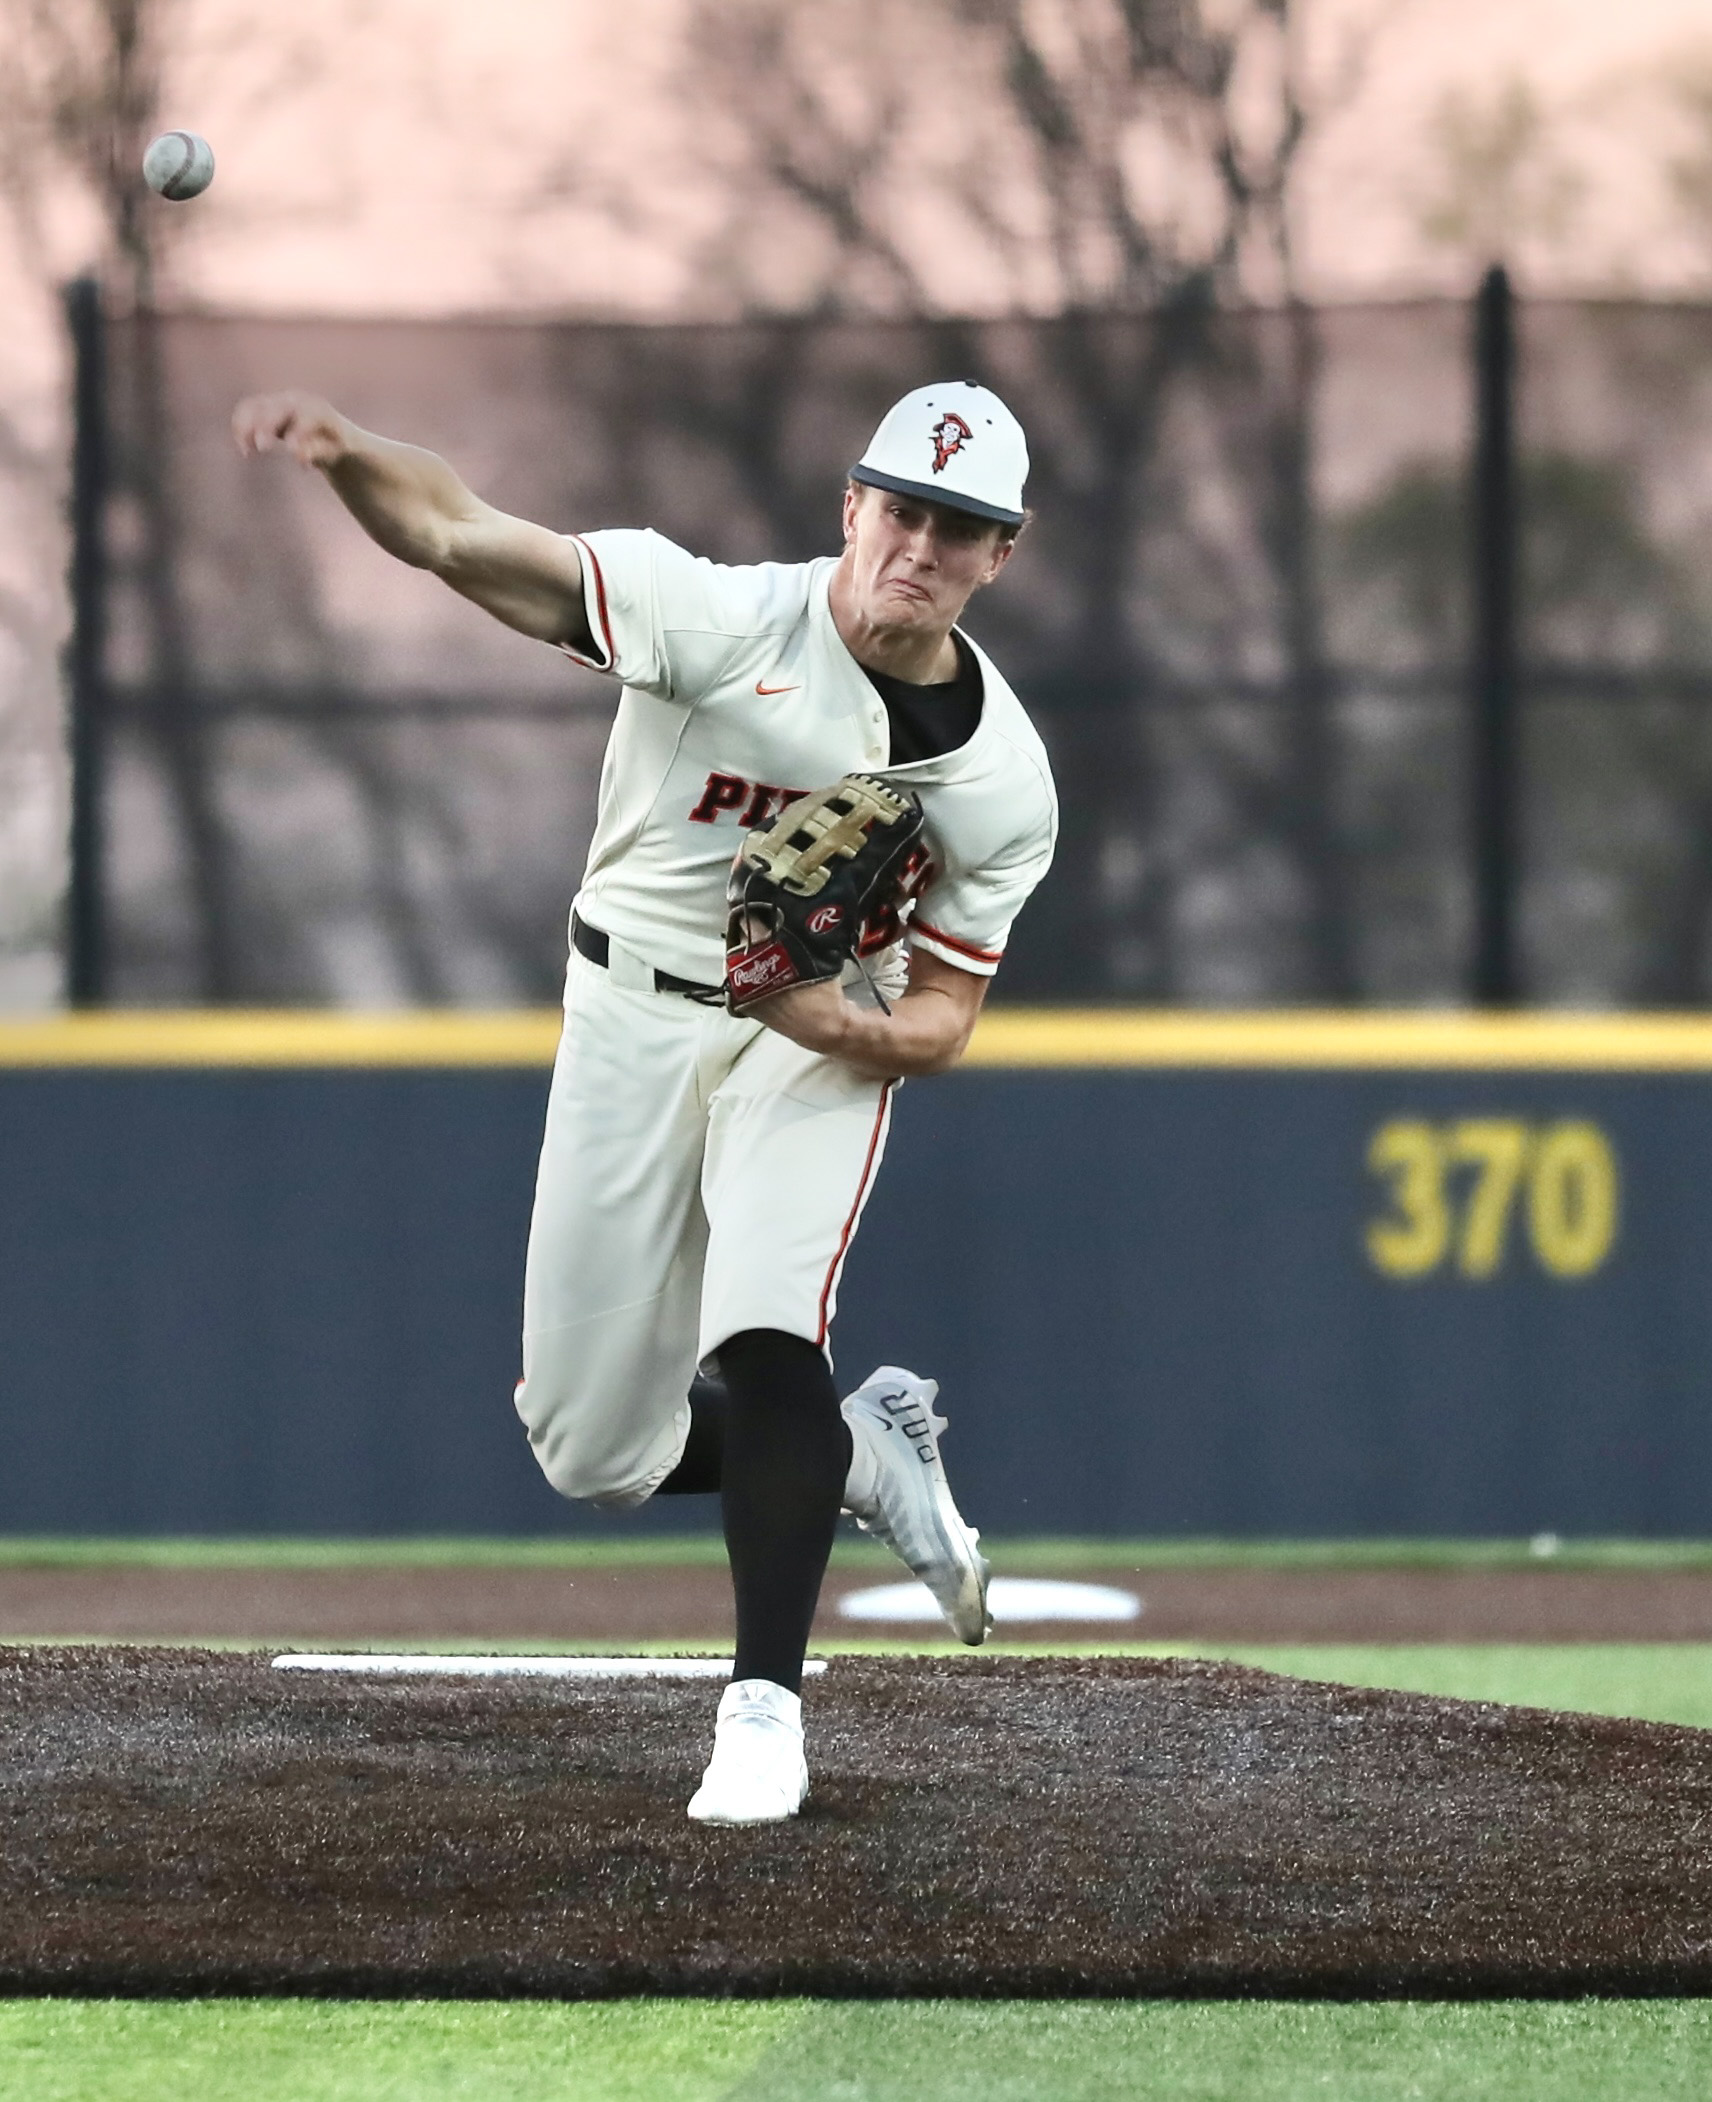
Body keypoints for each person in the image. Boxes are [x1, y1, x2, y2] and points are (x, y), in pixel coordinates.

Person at [232, 377, 1057, 1824]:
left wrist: (830, 1022)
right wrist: (351, 454)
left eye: (959, 527)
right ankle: (867, 1455)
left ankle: (763, 1714)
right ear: (852, 506)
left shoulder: (1000, 778)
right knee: (591, 1447)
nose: (920, 546)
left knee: (766, 1327)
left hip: (814, 1033)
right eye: (903, 509)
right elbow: (463, 535)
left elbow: (944, 1013)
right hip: (630, 1009)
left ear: (1002, 552)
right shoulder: (720, 619)